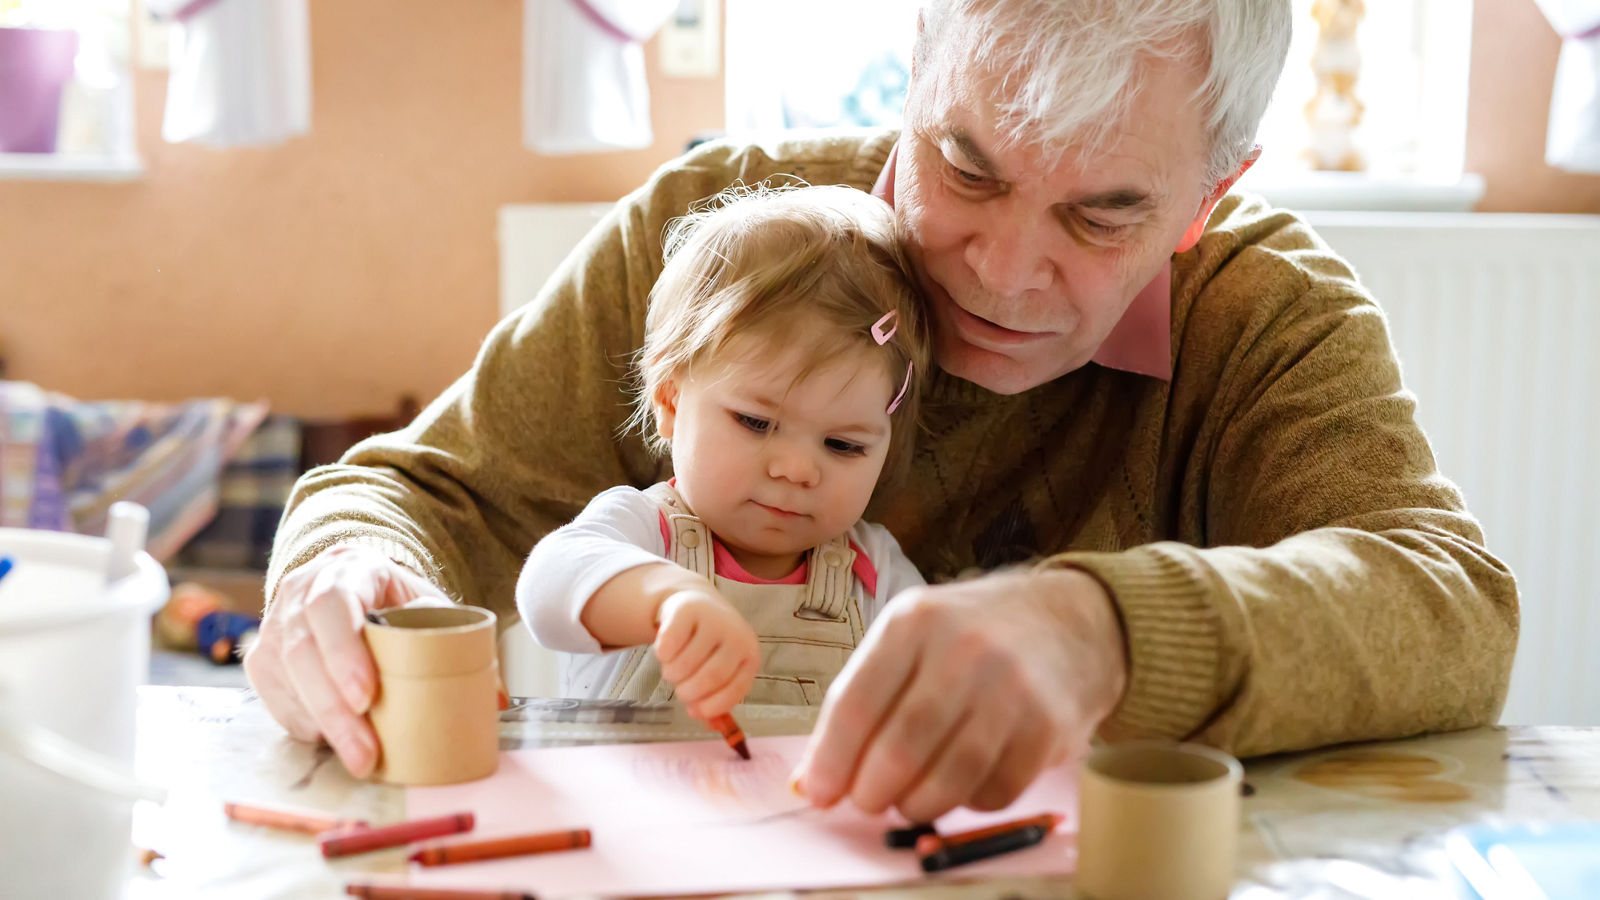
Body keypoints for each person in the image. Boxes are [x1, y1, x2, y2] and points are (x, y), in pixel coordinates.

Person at [246, 0, 1518, 826]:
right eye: (965, 165)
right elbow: (427, 491)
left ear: (1207, 196)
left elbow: (1448, 608)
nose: (1001, 272)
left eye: (1103, 214)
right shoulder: (728, 232)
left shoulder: (1264, 314)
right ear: (917, 67)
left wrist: (1106, 630)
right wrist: (348, 569)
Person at [516, 184, 930, 719]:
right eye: (756, 423)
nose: (797, 469)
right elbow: (546, 588)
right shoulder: (645, 531)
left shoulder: (872, 572)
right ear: (670, 399)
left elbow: (943, 673)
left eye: (843, 445)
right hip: (640, 801)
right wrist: (664, 599)